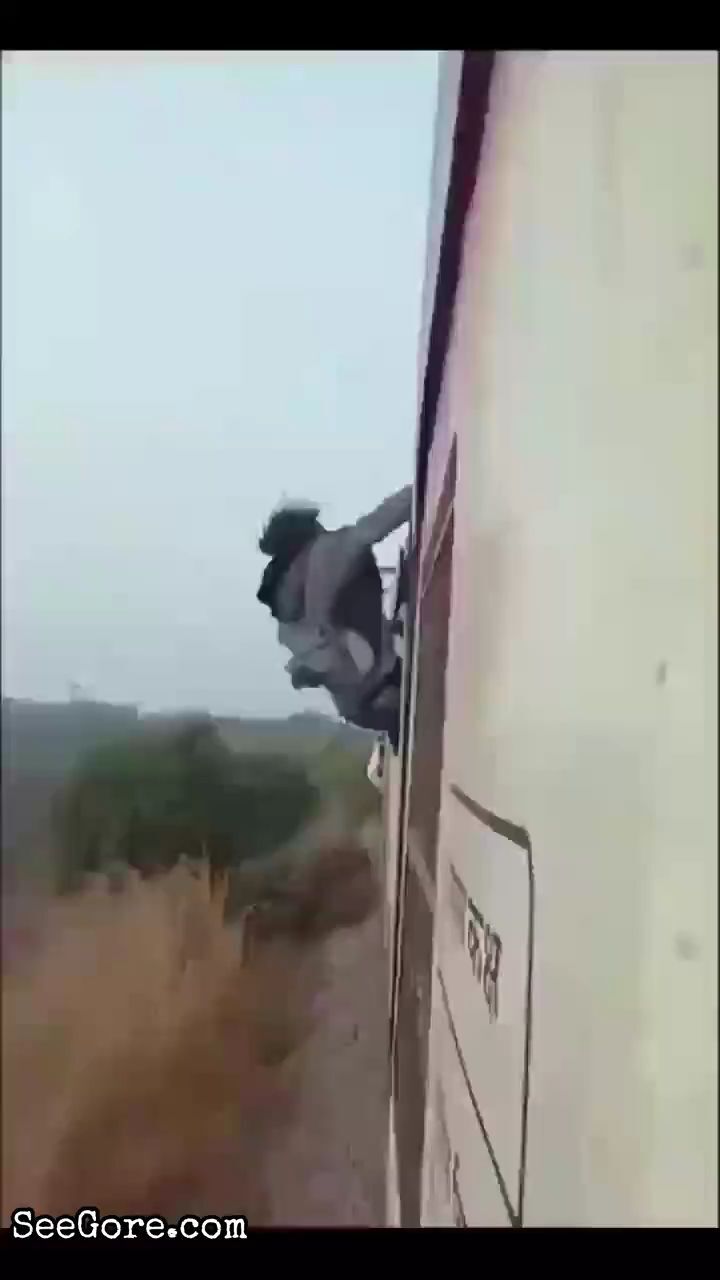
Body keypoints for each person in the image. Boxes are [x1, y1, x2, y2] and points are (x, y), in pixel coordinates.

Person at [257, 485, 412, 746]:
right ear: (310, 528)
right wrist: (419, 488)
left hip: (358, 708)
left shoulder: (285, 603)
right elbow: (378, 523)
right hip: (384, 684)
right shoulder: (329, 552)